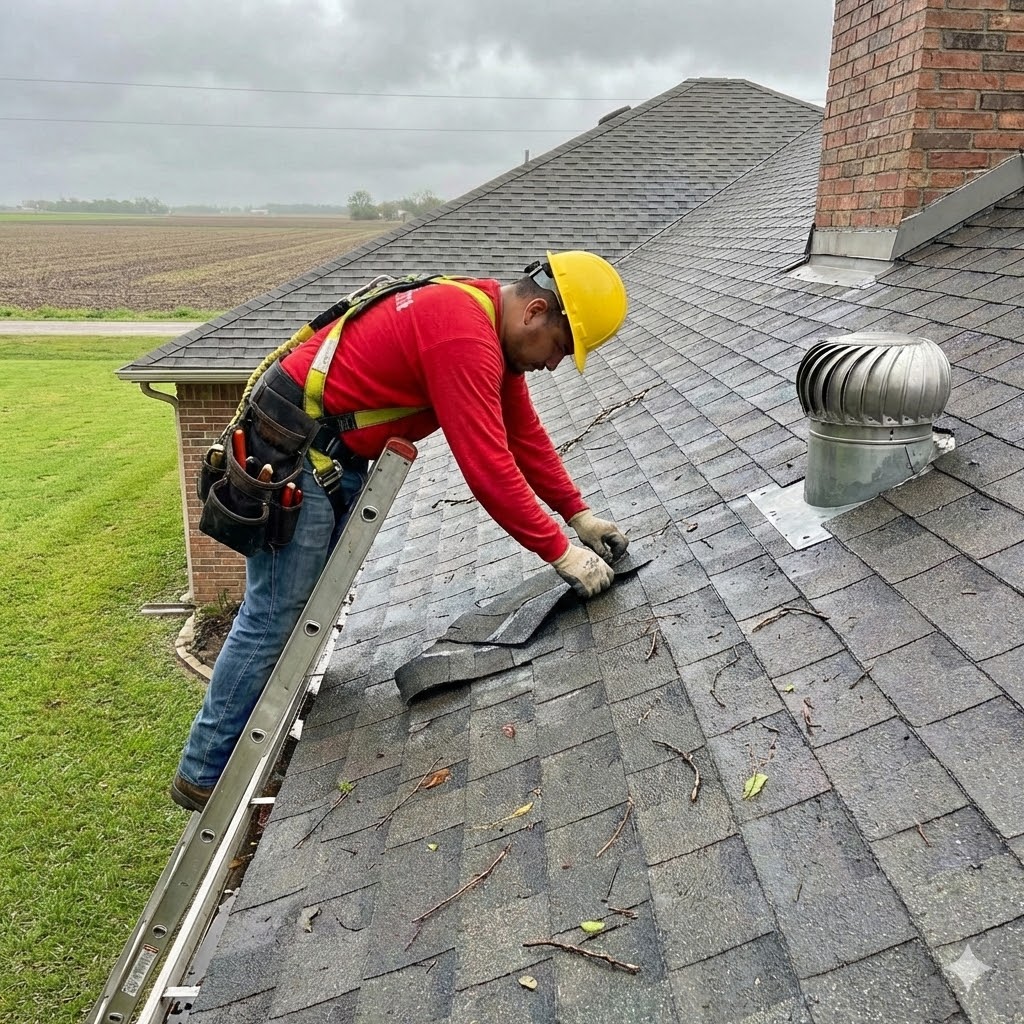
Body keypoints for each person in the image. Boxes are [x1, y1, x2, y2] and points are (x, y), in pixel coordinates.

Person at [171, 250, 631, 811]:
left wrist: (577, 512)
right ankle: (204, 771)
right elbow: (488, 467)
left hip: (330, 452)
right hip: (292, 447)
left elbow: (523, 436)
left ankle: (272, 715)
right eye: (561, 348)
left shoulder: (485, 323)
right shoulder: (461, 333)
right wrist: (561, 552)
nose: (555, 365)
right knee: (276, 612)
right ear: (536, 312)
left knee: (312, 602)